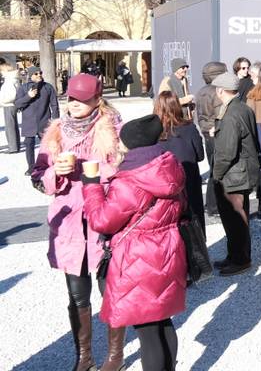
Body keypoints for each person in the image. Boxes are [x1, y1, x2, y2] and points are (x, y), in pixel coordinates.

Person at [30, 73, 126, 371]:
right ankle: (84, 358)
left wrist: (90, 170)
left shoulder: (113, 128)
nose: (75, 105)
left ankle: (115, 357)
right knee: (76, 295)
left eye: (82, 100)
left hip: (104, 220)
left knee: (110, 291)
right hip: (70, 226)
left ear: (98, 100)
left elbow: (126, 170)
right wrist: (55, 172)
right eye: (71, 99)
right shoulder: (55, 132)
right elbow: (38, 176)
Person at [83, 114, 186, 371]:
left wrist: (92, 186)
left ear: (132, 144)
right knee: (163, 322)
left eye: (121, 140)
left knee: (147, 331)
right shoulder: (167, 166)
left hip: (138, 258)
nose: (118, 145)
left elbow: (103, 221)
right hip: (167, 250)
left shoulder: (131, 180)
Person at [211, 71, 261, 275]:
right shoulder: (242, 108)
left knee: (235, 220)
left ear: (221, 90)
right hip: (240, 172)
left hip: (233, 174)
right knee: (236, 218)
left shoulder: (231, 114)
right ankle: (234, 255)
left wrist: (217, 174)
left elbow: (226, 151)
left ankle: (240, 259)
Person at [156, 90, 206, 230]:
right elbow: (200, 156)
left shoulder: (154, 131)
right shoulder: (189, 127)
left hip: (165, 183)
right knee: (194, 220)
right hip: (189, 179)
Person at [194, 61, 227, 218]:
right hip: (217, 132)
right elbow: (222, 114)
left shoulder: (201, 92)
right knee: (219, 170)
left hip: (206, 132)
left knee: (214, 167)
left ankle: (212, 204)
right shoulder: (218, 92)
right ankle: (214, 205)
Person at [15, 66, 60, 175]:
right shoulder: (23, 88)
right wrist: (28, 96)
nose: (39, 75)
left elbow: (54, 105)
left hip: (44, 121)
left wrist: (55, 121)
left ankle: (49, 165)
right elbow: (17, 104)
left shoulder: (48, 87)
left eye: (40, 72)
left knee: (48, 146)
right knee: (29, 145)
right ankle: (31, 167)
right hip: (28, 122)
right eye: (36, 73)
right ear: (30, 75)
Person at [1, 62, 20, 154]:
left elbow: (12, 95)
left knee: (10, 127)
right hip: (10, 105)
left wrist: (3, 100)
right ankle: (15, 145)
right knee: (12, 126)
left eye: (2, 70)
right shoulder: (13, 79)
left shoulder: (10, 80)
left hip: (9, 105)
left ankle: (13, 147)